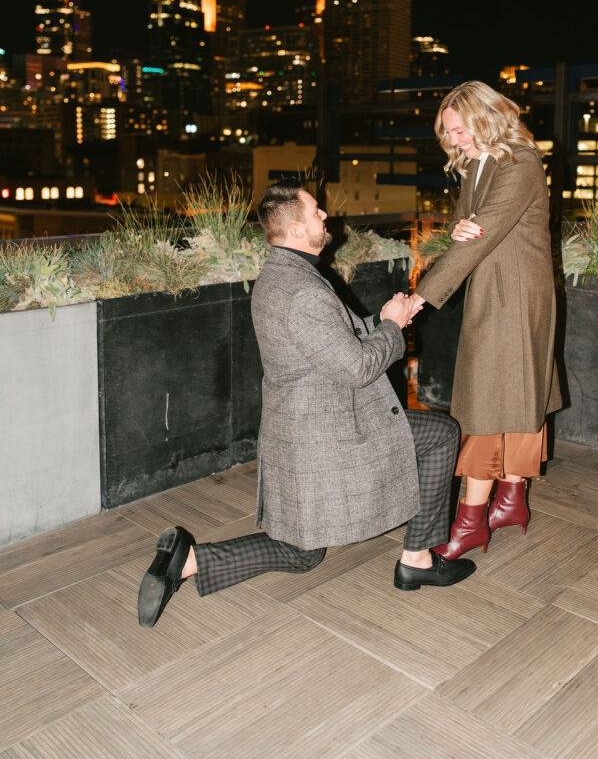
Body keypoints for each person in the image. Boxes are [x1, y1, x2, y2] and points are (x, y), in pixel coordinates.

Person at [138, 180, 475, 627]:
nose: (324, 217)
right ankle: (416, 560)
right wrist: (392, 330)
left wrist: (384, 318)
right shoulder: (303, 291)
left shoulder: (285, 273)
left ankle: (188, 561)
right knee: (440, 436)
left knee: (303, 553)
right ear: (296, 229)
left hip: (300, 428)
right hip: (329, 433)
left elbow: (333, 340)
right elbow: (356, 368)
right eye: (315, 212)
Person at [410, 81, 562, 559]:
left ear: (486, 117)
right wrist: (457, 225)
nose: (454, 141)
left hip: (515, 298)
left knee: (485, 405)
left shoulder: (518, 162)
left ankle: (471, 520)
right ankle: (510, 501)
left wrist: (419, 299)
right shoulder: (479, 164)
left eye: (459, 130)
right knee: (514, 398)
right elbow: (468, 227)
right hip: (497, 293)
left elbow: (479, 239)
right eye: (448, 134)